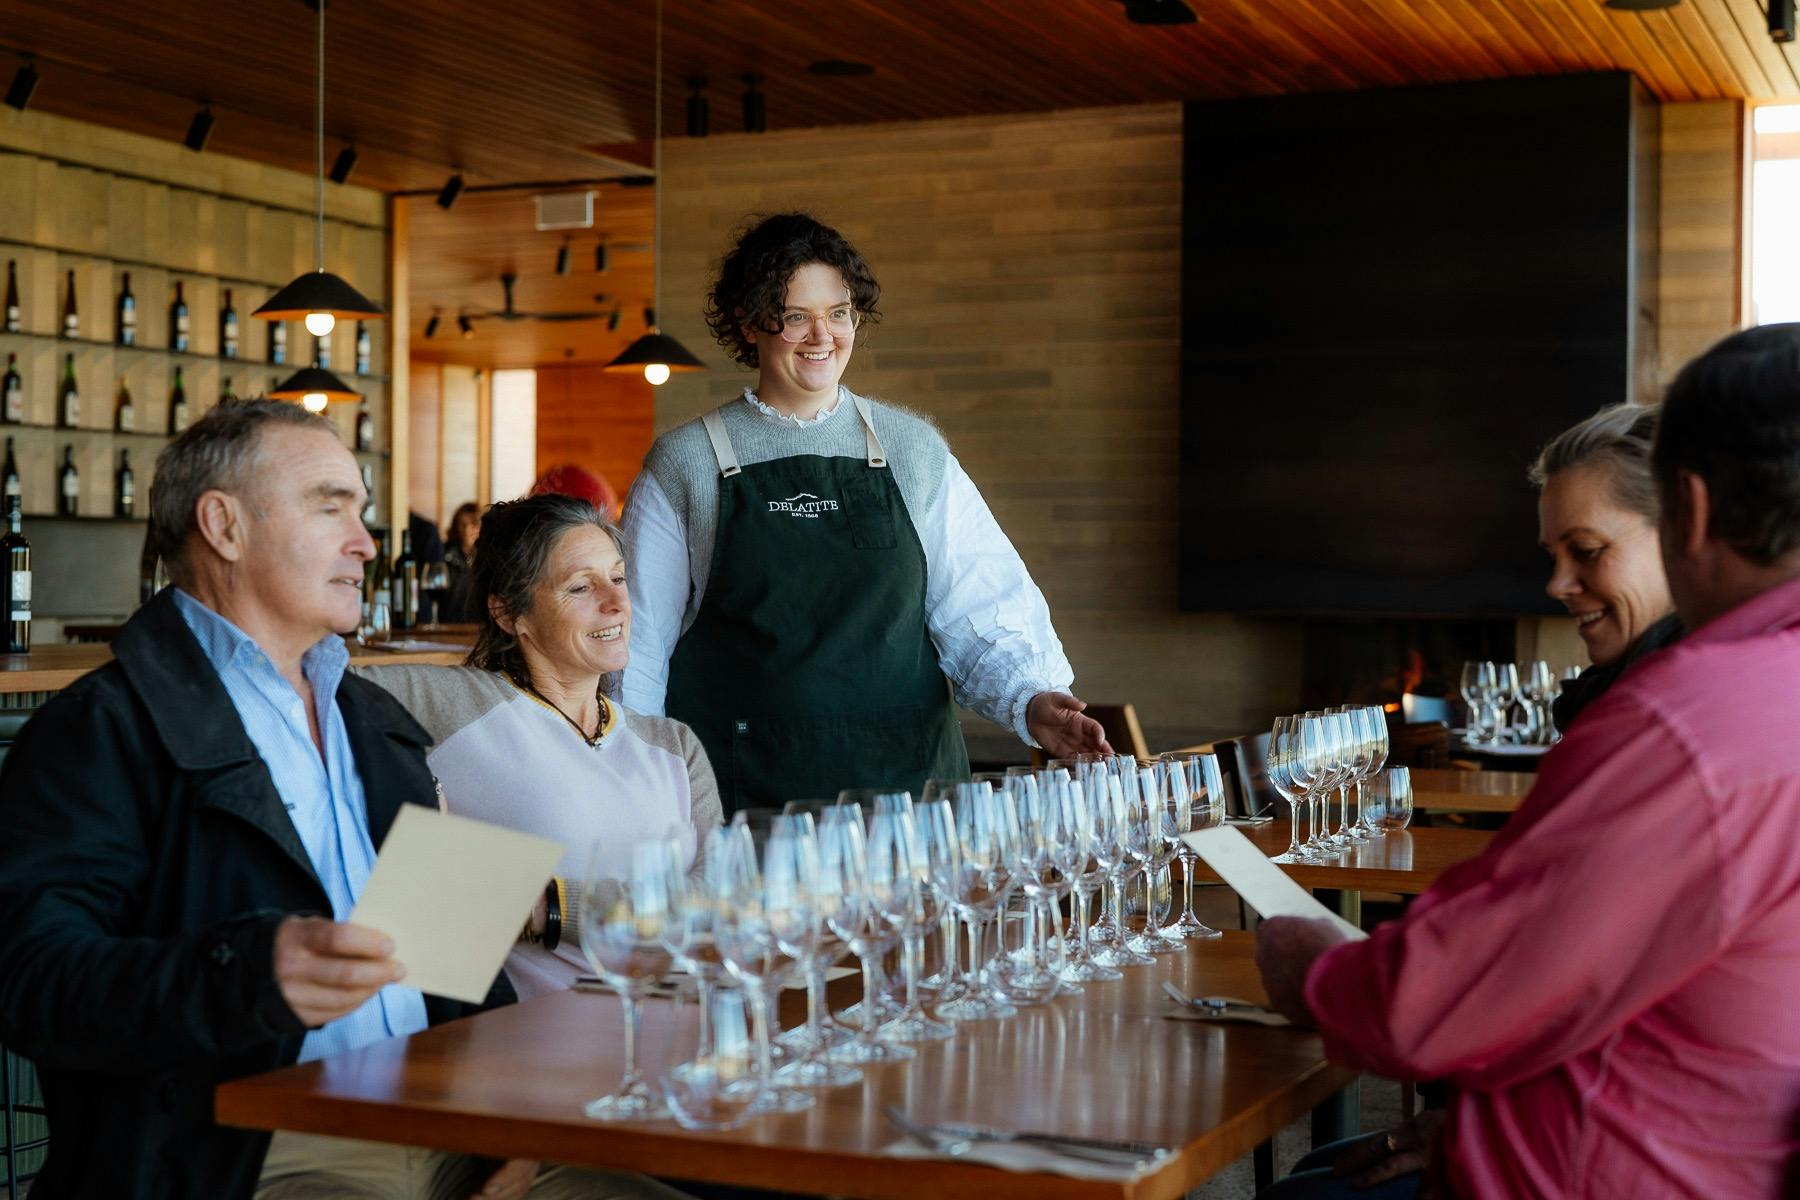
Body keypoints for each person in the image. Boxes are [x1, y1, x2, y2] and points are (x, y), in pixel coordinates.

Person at [1254, 324, 1800, 1199]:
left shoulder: (1688, 725)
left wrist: (1312, 967)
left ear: (1688, 510)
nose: (1554, 585)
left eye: (1586, 552)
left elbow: (1427, 1010)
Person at [0, 400, 598, 1198]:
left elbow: (461, 961)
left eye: (363, 512)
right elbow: (28, 980)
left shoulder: (379, 721)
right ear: (224, 526)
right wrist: (243, 976)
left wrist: (506, 1131)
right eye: (331, 508)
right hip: (245, 1153)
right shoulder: (99, 731)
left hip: (447, 1123)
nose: (366, 542)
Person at [621, 212, 1108, 811]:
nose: (821, 335)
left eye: (838, 313)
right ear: (749, 323)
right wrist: (634, 781)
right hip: (744, 799)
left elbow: (981, 602)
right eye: (795, 315)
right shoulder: (686, 463)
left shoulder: (913, 449)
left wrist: (1032, 699)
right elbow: (636, 646)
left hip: (913, 796)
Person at [359, 493, 723, 998]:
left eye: (618, 577)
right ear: (510, 614)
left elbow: (723, 900)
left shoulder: (674, 744)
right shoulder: (453, 704)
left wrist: (547, 906)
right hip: (524, 1047)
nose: (617, 601)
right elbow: (297, 672)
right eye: (581, 586)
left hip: (680, 1034)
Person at [1529, 402, 1680, 732]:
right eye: (1554, 557)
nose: (1556, 586)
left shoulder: (1683, 713)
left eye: (1586, 550)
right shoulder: (1607, 697)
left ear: (1683, 534)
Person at [443, 500, 482, 622]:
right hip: (450, 624)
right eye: (462, 524)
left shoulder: (489, 558)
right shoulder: (445, 556)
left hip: (479, 626)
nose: (467, 530)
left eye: (473, 524)